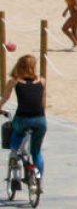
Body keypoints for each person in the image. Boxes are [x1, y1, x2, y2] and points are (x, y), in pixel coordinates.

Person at [0, 55, 47, 185]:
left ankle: (14, 155)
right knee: (36, 152)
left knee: (16, 134)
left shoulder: (14, 81)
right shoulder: (42, 81)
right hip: (40, 120)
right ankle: (38, 183)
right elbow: (43, 103)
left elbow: (5, 98)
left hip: (23, 118)